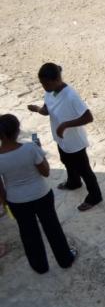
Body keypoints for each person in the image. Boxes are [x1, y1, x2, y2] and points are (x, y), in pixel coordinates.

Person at [0, 113, 77, 273]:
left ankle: (39, 267)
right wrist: (41, 154)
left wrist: (4, 201)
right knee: (52, 227)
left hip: (16, 200)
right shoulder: (30, 148)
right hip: (41, 194)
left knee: (28, 233)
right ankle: (65, 259)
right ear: (17, 131)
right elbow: (46, 172)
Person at [28, 62, 102, 212]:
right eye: (41, 83)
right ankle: (73, 182)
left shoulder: (71, 96)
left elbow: (88, 117)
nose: (43, 86)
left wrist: (64, 125)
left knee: (84, 170)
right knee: (66, 161)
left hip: (75, 142)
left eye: (45, 83)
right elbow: (47, 109)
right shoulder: (50, 91)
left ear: (56, 80)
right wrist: (37, 109)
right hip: (61, 138)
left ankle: (95, 196)